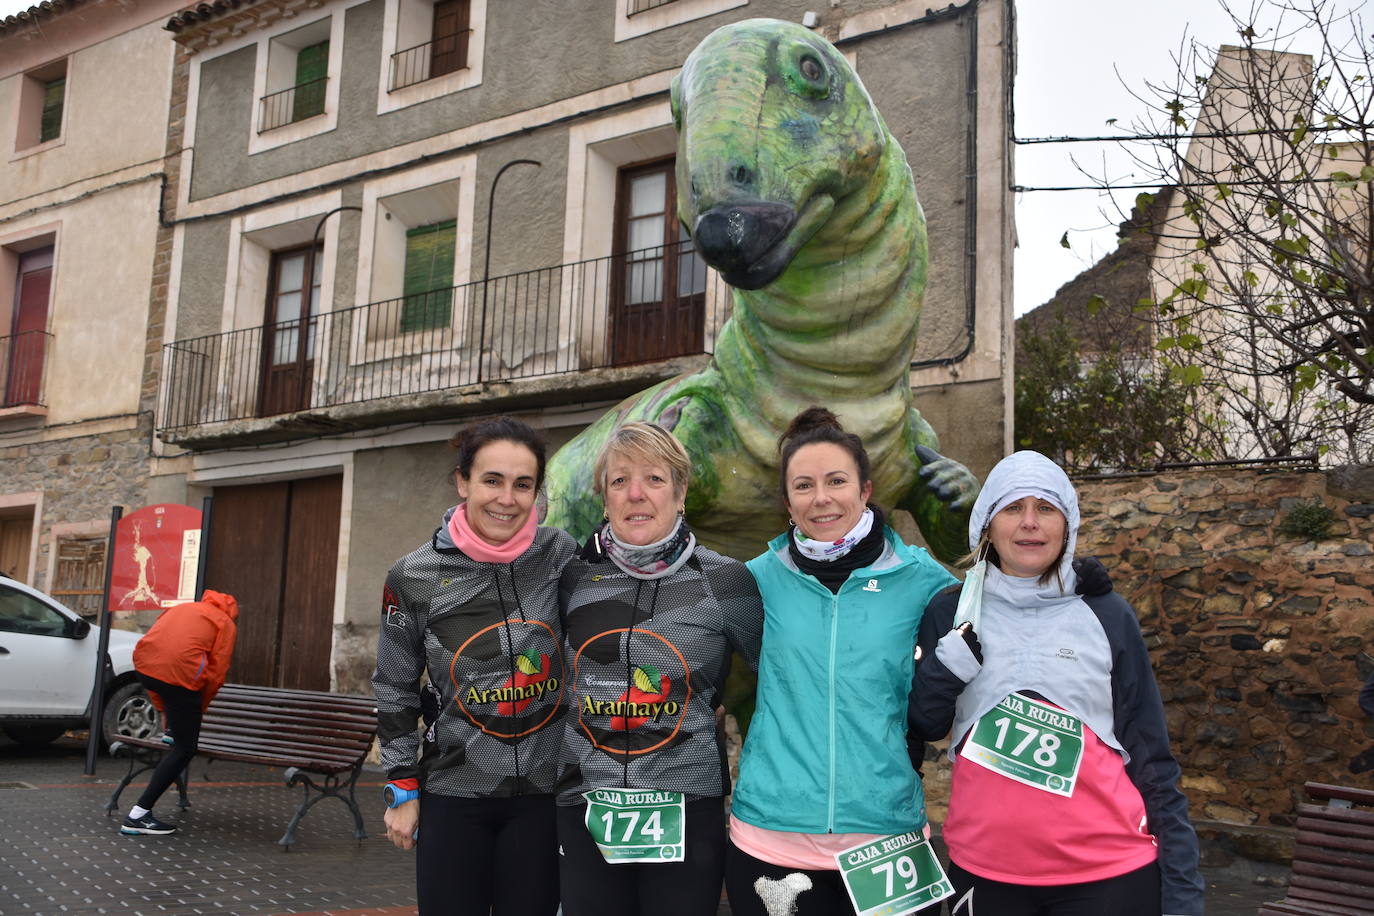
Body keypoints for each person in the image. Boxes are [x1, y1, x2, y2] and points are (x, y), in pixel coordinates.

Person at [910, 450, 1205, 916]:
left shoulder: (1107, 614)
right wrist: (944, 672)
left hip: (1107, 874)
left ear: (1067, 525)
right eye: (1013, 508)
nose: (1030, 522)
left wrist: (1184, 893)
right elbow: (925, 724)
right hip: (984, 871)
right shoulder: (951, 612)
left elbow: (1152, 756)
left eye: (1046, 508)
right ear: (986, 525)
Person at [723, 407, 961, 916]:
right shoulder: (754, 579)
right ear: (787, 502)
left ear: (865, 490)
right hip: (772, 837)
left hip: (888, 838)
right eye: (804, 486)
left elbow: (1002, 608)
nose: (822, 498)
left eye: (837, 481)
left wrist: (1081, 590)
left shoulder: (920, 578)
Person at [556, 421, 764, 916]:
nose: (636, 495)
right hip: (586, 800)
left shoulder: (726, 581)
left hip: (686, 800)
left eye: (653, 478)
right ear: (604, 498)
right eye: (619, 480)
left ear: (681, 490)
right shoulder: (571, 578)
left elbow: (775, 680)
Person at [372, 417, 577, 916]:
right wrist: (401, 787)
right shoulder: (414, 575)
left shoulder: (561, 557)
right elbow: (395, 686)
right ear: (463, 481)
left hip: (544, 795)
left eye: (522, 484)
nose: (507, 498)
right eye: (492, 480)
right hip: (453, 791)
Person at [120, 589, 239, 836]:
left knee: (179, 729)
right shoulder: (224, 623)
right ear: (231, 611)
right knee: (186, 748)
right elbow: (216, 674)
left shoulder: (183, 608)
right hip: (181, 677)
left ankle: (173, 729)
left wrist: (164, 709)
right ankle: (138, 815)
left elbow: (159, 660)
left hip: (144, 665)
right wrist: (198, 710)